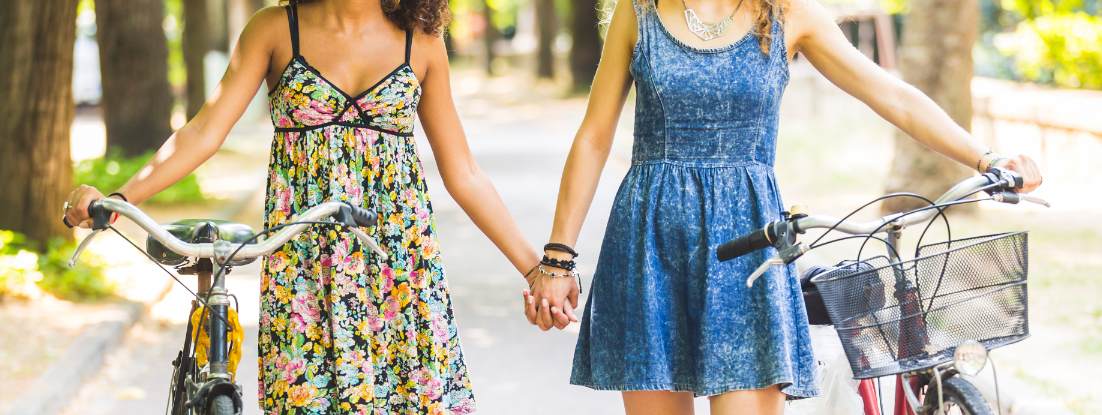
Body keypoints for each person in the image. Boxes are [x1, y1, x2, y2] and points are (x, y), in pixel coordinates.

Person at [522, 0, 1043, 414]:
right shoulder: (639, 13)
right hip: (650, 242)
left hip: (750, 249)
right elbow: (594, 137)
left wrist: (986, 157)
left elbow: (891, 95)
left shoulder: (787, 13)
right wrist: (557, 258)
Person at [63, 0, 543, 413]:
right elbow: (205, 132)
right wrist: (120, 199)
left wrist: (536, 269)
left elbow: (464, 174)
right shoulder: (276, 29)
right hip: (304, 268)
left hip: (399, 268)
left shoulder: (421, 43)